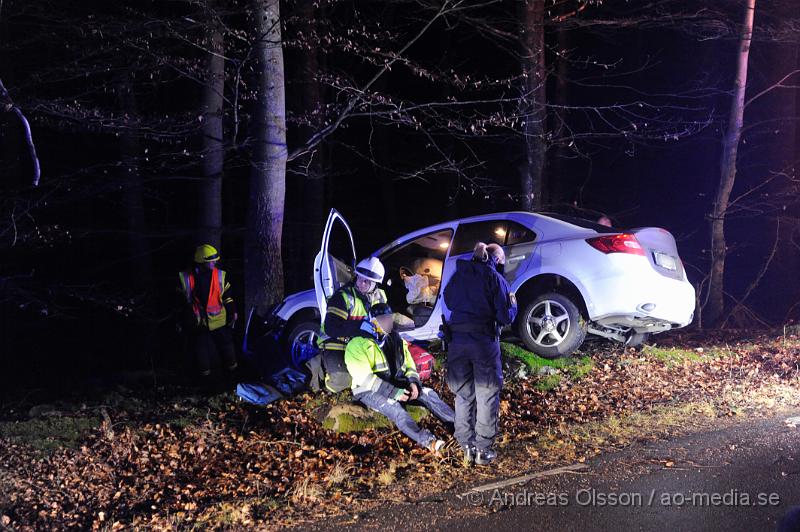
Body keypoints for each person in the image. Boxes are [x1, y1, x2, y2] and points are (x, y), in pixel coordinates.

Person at [442, 242, 517, 466]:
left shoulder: (460, 273)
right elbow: (505, 316)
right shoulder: (495, 279)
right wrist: (513, 303)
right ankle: (483, 450)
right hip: (483, 343)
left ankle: (466, 446)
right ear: (498, 260)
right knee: (487, 395)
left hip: (457, 343)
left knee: (463, 395)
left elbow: (448, 299)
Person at [345, 303, 454, 452]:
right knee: (396, 409)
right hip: (367, 391)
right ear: (372, 321)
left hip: (395, 384)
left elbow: (409, 365)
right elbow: (366, 379)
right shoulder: (357, 344)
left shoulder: (395, 339)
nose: (389, 322)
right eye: (383, 319)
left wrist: (414, 383)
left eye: (389, 318)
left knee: (428, 394)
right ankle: (431, 443)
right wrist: (394, 392)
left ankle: (460, 428)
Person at [315, 256, 388, 393]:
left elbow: (386, 320)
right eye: (359, 278)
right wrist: (359, 327)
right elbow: (331, 328)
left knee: (382, 368)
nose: (361, 283)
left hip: (363, 344)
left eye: (367, 281)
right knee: (342, 381)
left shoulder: (381, 297)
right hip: (336, 342)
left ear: (376, 284)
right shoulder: (343, 297)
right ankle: (319, 368)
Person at [177, 244, 238, 390]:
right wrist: (183, 320)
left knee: (227, 350)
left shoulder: (220, 275)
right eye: (212, 261)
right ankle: (206, 384)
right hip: (198, 323)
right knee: (201, 352)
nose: (215, 262)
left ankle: (233, 379)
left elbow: (227, 297)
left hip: (219, 322)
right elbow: (180, 301)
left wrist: (232, 312)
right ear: (202, 262)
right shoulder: (186, 277)